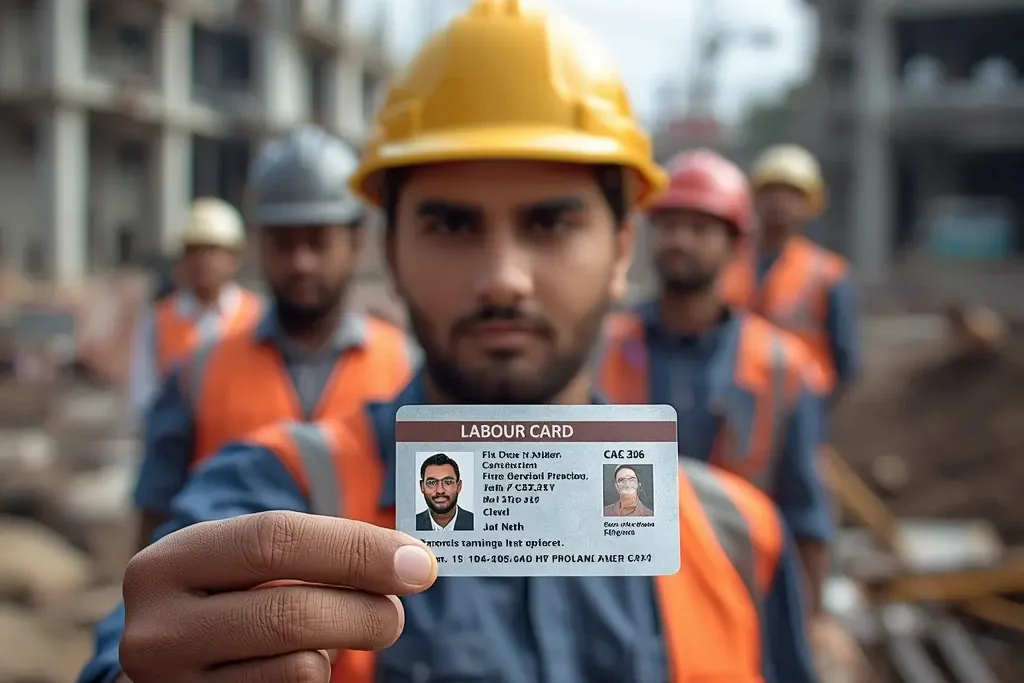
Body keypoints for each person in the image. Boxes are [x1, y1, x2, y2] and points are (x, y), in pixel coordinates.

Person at [78, 3, 817, 683]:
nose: (503, 279)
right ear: (391, 253)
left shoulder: (737, 539)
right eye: (453, 225)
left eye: (550, 223)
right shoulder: (273, 496)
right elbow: (138, 648)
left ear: (623, 249)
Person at [131, 125, 417, 548]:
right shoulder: (198, 372)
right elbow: (153, 523)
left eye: (319, 242)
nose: (302, 262)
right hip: (229, 593)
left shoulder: (404, 364)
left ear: (355, 243)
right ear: (259, 245)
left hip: (377, 590)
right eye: (284, 243)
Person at [597, 149, 832, 614]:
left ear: (735, 244)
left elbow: (806, 511)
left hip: (740, 593)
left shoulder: (783, 365)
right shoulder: (604, 348)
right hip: (625, 593)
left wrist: (814, 618)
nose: (680, 240)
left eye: (699, 228)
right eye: (669, 226)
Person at [721, 144, 861, 406]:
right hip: (735, 401)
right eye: (771, 191)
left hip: (803, 402)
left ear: (810, 204)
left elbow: (846, 361)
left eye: (792, 193)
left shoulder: (828, 273)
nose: (779, 201)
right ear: (755, 198)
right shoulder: (725, 264)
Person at [128, 197, 261, 418]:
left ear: (235, 257)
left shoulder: (257, 316)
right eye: (194, 251)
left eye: (212, 250)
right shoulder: (158, 320)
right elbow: (143, 397)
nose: (203, 261)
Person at [416, 453, 474, 531]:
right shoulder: (409, 526)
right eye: (432, 482)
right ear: (422, 487)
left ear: (459, 486)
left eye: (448, 482)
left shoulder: (477, 523)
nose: (440, 491)